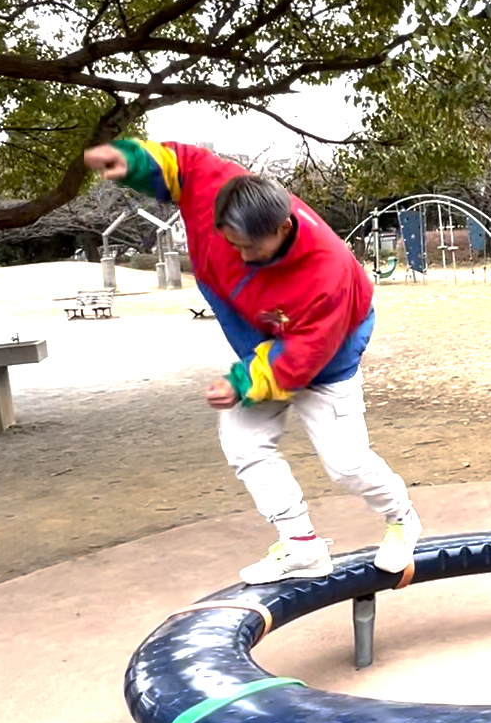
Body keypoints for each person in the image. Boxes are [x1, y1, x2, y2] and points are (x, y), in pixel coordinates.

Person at [82, 138, 422, 584]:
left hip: (326, 353)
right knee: (242, 440)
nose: (239, 256)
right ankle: (301, 545)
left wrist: (243, 383)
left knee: (347, 464)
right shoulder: (218, 192)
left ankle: (402, 518)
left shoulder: (326, 273)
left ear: (282, 228)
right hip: (265, 342)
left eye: (249, 248)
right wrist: (133, 160)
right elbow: (181, 164)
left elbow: (301, 356)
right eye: (231, 243)